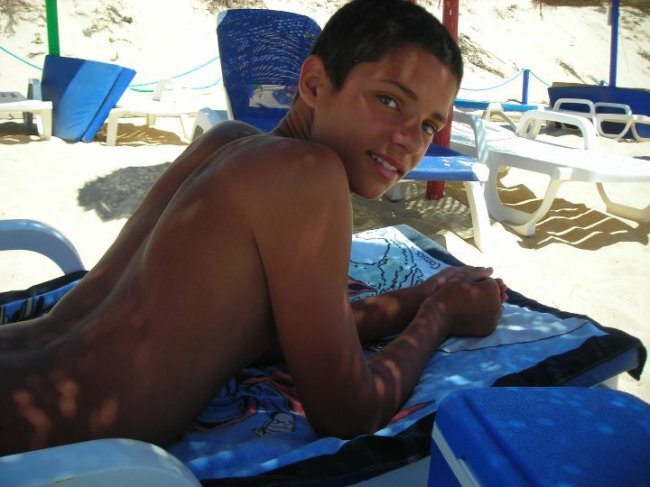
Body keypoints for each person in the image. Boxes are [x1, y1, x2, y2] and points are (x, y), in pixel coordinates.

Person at [0, 0, 506, 455]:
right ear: (314, 84)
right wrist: (438, 317)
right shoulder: (308, 173)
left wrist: (424, 294)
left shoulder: (225, 141)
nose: (409, 140)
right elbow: (348, 412)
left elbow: (276, 332)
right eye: (389, 100)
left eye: (428, 125)